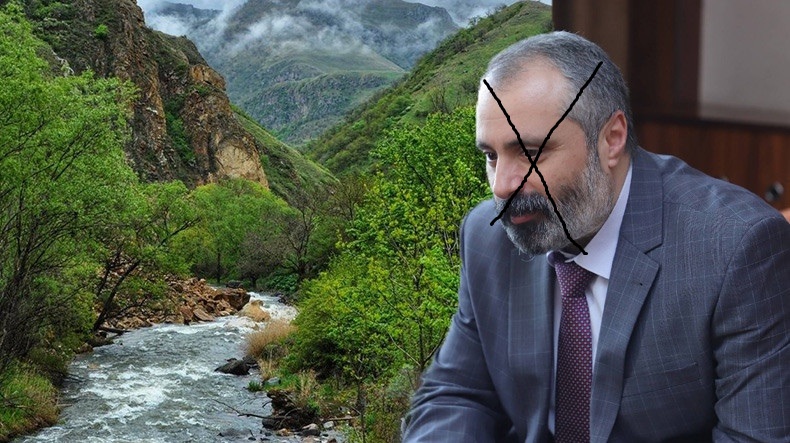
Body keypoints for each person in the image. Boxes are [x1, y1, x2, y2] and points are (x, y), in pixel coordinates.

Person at [402, 31, 790, 442]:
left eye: (530, 153)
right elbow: (457, 394)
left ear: (611, 139)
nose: (501, 186)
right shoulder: (488, 236)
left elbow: (754, 436)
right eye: (491, 156)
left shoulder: (736, 246)